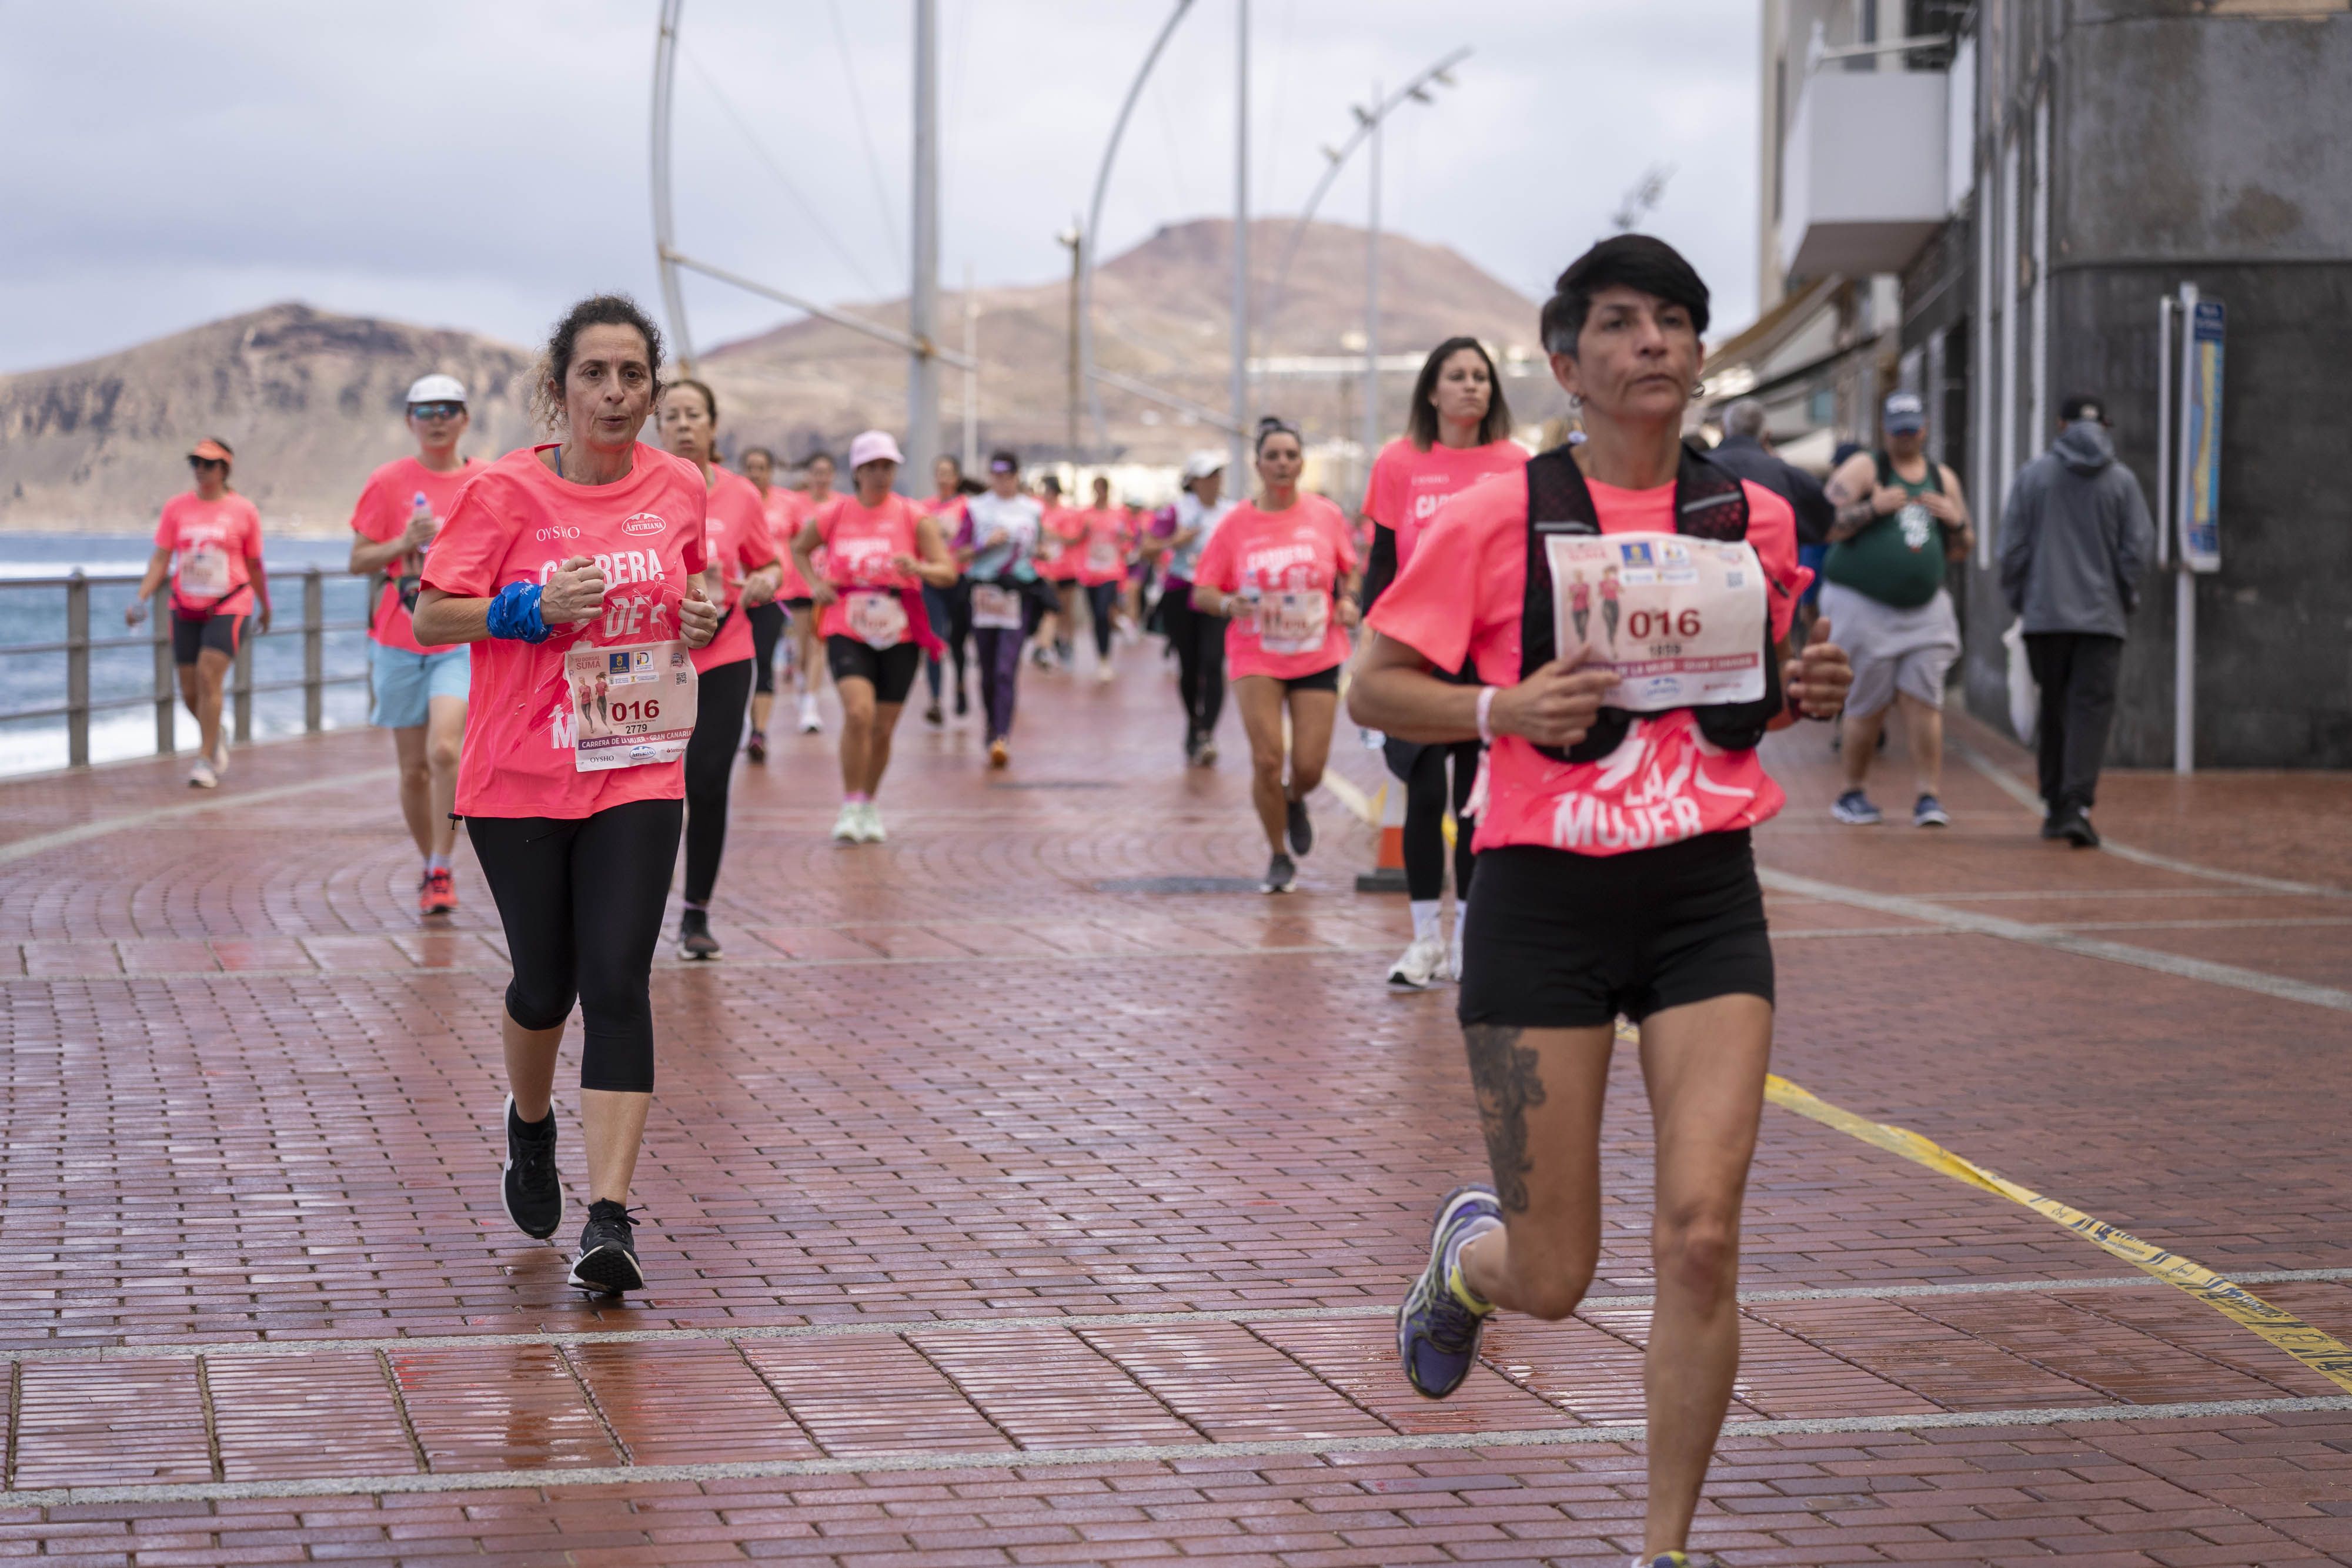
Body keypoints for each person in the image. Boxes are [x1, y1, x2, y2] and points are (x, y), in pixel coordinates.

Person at [1346, 235, 1851, 1568]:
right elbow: (1371, 681)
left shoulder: (1752, 520)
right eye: (1621, 325)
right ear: (1565, 363)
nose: (1653, 344)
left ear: (1697, 355)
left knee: (1698, 1237)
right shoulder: (1491, 517)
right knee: (1556, 1275)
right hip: (1540, 902)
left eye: (1675, 323)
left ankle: (1662, 1550)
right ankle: (1469, 1264)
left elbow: (1766, 677)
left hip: (1701, 898)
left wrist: (1812, 689)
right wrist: (1494, 708)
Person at [412, 293, 719, 1296]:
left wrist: (708, 612)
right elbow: (429, 616)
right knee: (546, 986)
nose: (618, 393)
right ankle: (531, 1124)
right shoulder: (502, 493)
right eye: (597, 374)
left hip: (637, 761)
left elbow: (695, 593)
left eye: (635, 375)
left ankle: (612, 1215)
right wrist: (527, 606)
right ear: (559, 388)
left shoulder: (680, 486)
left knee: (619, 979)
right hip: (519, 774)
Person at [1359, 337, 1526, 988]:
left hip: (1488, 653)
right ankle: (1425, 941)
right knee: (1423, 793)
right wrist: (1373, 656)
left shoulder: (1517, 464)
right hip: (1417, 653)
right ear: (1431, 391)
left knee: (1475, 803)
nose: (1470, 387)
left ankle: (1470, 944)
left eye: (1481, 376)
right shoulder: (1399, 463)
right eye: (1456, 376)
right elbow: (1382, 563)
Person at [1191, 417, 1361, 894]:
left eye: (1291, 455)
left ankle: (1294, 797)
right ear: (1258, 465)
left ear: (1302, 462)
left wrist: (1348, 601)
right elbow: (1203, 589)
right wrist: (1228, 604)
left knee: (1309, 765)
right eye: (1273, 456)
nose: (1283, 464)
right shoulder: (1235, 524)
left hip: (1318, 650)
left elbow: (1350, 572)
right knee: (1267, 759)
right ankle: (1278, 854)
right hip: (1256, 652)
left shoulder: (1326, 515)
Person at [346, 375, 483, 915]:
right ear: (410, 420)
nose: (437, 419)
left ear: (464, 418)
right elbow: (357, 560)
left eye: (448, 409)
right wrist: (404, 541)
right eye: (425, 410)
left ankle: (443, 867)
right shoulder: (387, 481)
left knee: (445, 750)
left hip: (458, 637)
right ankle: (430, 861)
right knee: (412, 770)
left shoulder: (486, 480)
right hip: (397, 639)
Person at [656, 379, 781, 958]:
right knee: (647, 791)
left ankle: (696, 913)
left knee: (706, 782)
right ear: (657, 426)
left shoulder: (740, 496)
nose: (683, 425)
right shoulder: (638, 491)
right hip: (653, 660)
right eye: (672, 415)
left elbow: (771, 564)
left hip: (726, 653)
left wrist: (765, 581)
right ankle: (634, 908)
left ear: (712, 426)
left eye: (694, 415)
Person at [1998, 393, 2154, 848]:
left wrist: (2022, 600)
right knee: (2090, 710)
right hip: (2102, 620)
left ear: (2059, 425)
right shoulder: (2122, 482)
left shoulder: (2033, 476)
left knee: (2055, 706)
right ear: (2106, 425)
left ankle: (2055, 805)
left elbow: (2012, 549)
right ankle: (2078, 804)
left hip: (2045, 617)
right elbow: (2137, 549)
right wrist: (2124, 597)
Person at [790, 430, 958, 837]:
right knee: (858, 713)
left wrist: (919, 569)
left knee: (882, 728)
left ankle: (868, 803)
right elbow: (798, 548)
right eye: (873, 467)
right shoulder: (836, 513)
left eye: (888, 466)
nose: (882, 474)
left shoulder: (913, 515)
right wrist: (815, 583)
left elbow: (948, 571)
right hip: (847, 623)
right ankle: (849, 804)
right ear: (858, 471)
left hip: (899, 630)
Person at [1820, 392, 1973, 829]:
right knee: (1866, 702)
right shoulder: (1867, 468)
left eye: (1913, 427)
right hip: (1864, 606)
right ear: (1885, 430)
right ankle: (1853, 791)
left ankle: (1929, 796)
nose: (1906, 436)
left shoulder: (1942, 478)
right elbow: (1825, 525)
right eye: (1898, 428)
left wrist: (1955, 521)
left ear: (1925, 427)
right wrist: (1873, 507)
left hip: (1924, 609)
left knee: (1925, 700)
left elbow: (1965, 548)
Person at [126, 439, 270, 790]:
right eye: (195, 462)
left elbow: (254, 564)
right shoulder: (176, 508)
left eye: (208, 464)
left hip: (229, 604)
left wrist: (266, 604)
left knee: (210, 677)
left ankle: (205, 760)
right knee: (190, 691)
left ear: (225, 469)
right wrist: (141, 598)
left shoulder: (244, 511)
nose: (200, 469)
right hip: (185, 605)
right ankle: (215, 731)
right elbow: (161, 558)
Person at [954, 450, 1044, 768]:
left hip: (1018, 595)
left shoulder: (1033, 509)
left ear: (1017, 476)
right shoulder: (976, 508)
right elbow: (958, 553)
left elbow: (1041, 548)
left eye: (1007, 476)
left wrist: (1043, 554)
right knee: (988, 668)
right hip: (983, 594)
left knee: (1007, 667)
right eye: (996, 475)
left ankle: (1002, 735)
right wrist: (985, 545)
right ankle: (991, 723)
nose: (1002, 481)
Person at [1158, 451, 1239, 764]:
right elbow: (1147, 546)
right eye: (1207, 476)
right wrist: (1174, 542)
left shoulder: (1231, 512)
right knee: (1190, 667)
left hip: (1218, 595)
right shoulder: (1176, 511)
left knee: (1213, 661)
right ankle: (1193, 724)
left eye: (1217, 475)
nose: (1214, 482)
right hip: (1182, 592)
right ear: (1192, 481)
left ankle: (1207, 733)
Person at [780, 450, 837, 734]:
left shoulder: (840, 505)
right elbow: (790, 543)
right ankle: (803, 688)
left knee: (818, 646)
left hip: (827, 587)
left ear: (833, 476)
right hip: (801, 584)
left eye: (826, 473)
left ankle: (811, 706)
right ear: (809, 476)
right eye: (816, 473)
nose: (821, 478)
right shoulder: (796, 505)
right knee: (804, 649)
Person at [916, 453, 974, 726]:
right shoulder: (924, 508)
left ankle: (961, 687)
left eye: (948, 472)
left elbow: (976, 542)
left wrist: (961, 553)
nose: (943, 477)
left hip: (959, 582)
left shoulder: (968, 507)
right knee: (934, 641)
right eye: (939, 472)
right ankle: (936, 701)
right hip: (932, 583)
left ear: (957, 478)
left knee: (958, 642)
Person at [738, 446, 789, 762]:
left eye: (761, 468)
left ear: (771, 472)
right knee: (740, 667)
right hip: (734, 598)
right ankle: (739, 723)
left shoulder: (785, 505)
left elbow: (798, 544)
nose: (755, 473)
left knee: (765, 661)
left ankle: (759, 731)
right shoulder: (736, 500)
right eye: (750, 467)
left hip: (771, 598)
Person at [1074, 474, 1132, 683]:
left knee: (1102, 612)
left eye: (1103, 489)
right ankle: (1101, 656)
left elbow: (1130, 539)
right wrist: (1083, 533)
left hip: (1112, 572)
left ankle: (1106, 659)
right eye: (1096, 489)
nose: (1100, 493)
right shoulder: (1085, 514)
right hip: (1090, 573)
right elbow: (1075, 540)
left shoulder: (1120, 513)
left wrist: (1125, 538)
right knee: (1096, 616)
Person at [1030, 473, 1082, 669]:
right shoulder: (1036, 510)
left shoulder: (1067, 513)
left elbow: (1072, 538)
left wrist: (1050, 532)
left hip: (1066, 568)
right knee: (1049, 608)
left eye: (1049, 491)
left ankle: (1067, 642)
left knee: (1065, 610)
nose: (1046, 495)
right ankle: (1046, 645)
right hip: (1045, 569)